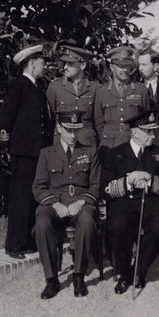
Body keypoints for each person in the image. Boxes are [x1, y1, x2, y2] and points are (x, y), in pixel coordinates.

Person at [100, 110, 159, 294]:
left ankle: (138, 271)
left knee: (157, 228)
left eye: (153, 131)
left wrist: (148, 178)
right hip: (124, 203)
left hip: (152, 203)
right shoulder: (114, 154)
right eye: (149, 132)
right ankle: (124, 273)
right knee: (117, 226)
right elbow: (105, 190)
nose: (153, 135)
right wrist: (128, 181)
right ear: (134, 132)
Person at [32, 111, 100, 299]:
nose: (72, 135)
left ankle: (79, 276)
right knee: (42, 222)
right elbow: (38, 187)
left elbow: (96, 185)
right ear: (59, 128)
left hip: (81, 201)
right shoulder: (46, 154)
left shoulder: (89, 151)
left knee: (87, 220)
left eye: (76, 130)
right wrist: (55, 204)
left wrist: (81, 201)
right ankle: (51, 279)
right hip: (55, 203)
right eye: (68, 130)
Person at [0, 43, 54, 259]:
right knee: (20, 197)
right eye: (42, 63)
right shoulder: (18, 85)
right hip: (23, 151)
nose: (45, 67)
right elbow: (5, 118)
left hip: (37, 151)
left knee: (33, 195)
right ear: (32, 63)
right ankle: (14, 244)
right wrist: (5, 147)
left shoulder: (37, 87)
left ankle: (29, 240)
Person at [94, 46, 150, 151]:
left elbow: (146, 121)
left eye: (127, 66)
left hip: (133, 143)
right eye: (120, 66)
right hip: (109, 145)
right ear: (112, 67)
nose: (124, 70)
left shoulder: (141, 91)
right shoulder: (101, 92)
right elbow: (99, 124)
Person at [46, 45, 101, 147]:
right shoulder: (55, 87)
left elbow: (99, 123)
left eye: (70, 63)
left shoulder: (96, 89)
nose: (65, 67)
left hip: (87, 145)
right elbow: (49, 121)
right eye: (65, 63)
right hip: (62, 144)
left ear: (82, 65)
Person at [138, 49, 159, 147]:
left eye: (144, 65)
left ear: (156, 66)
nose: (140, 68)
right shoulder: (135, 86)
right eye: (139, 64)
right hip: (141, 140)